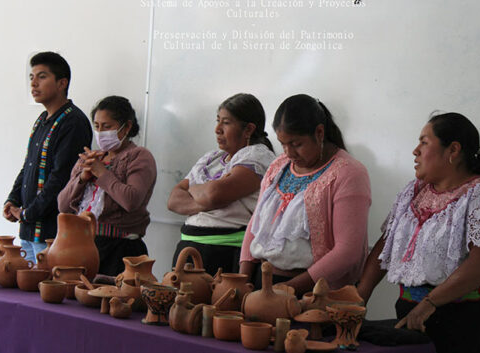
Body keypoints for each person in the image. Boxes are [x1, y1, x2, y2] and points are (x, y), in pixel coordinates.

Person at [356, 112, 480, 353]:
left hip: (469, 322)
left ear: (453, 150)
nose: (415, 151)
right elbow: (387, 244)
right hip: (414, 315)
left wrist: (430, 302)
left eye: (424, 142)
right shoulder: (414, 191)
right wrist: (359, 297)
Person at [240, 94, 371, 296]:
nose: (288, 152)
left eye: (296, 144)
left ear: (319, 132)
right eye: (283, 144)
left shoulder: (348, 173)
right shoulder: (278, 166)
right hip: (265, 283)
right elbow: (256, 224)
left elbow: (348, 252)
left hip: (313, 291)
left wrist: (288, 289)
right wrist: (242, 280)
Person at [167, 93, 275, 276]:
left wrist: (194, 191)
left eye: (226, 123)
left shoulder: (258, 156)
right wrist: (206, 199)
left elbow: (214, 194)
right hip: (189, 249)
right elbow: (173, 200)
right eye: (218, 121)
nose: (217, 129)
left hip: (223, 254)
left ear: (248, 129)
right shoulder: (211, 158)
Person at [3, 52, 92, 263]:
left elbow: (61, 178)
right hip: (28, 230)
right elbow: (28, 168)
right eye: (31, 77)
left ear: (62, 83)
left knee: (44, 291)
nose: (34, 83)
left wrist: (27, 213)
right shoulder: (42, 119)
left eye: (42, 77)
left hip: (53, 235)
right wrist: (12, 200)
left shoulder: (73, 122)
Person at [57, 96, 157, 276]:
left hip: (120, 249)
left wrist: (102, 173)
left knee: (113, 300)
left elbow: (131, 200)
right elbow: (63, 206)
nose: (101, 132)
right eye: (97, 126)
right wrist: (82, 178)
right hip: (82, 245)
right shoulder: (90, 158)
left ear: (126, 127)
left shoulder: (139, 156)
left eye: (107, 126)